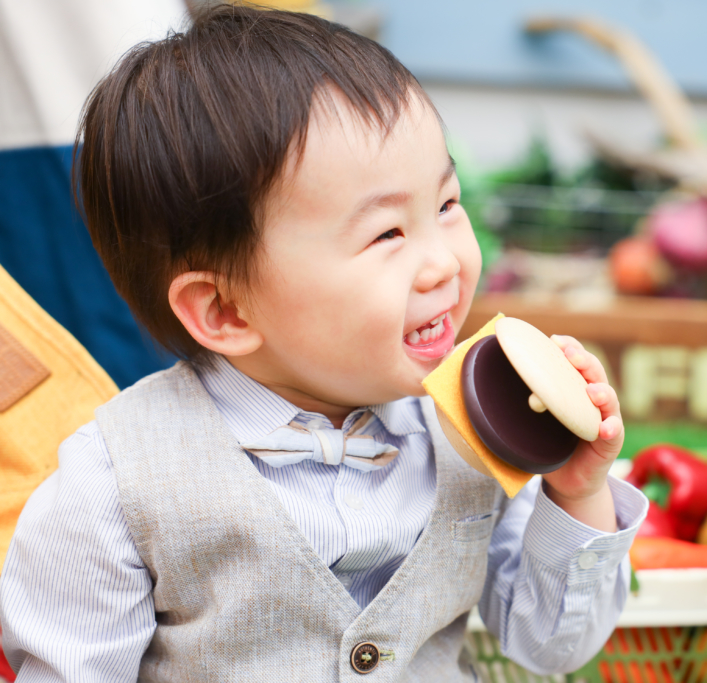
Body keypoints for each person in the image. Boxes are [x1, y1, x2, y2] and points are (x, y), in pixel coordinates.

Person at [0, 6, 646, 681]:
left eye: (447, 205)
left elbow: (550, 644)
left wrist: (576, 493)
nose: (444, 262)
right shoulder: (114, 484)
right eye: (387, 234)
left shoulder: (477, 426)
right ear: (225, 310)